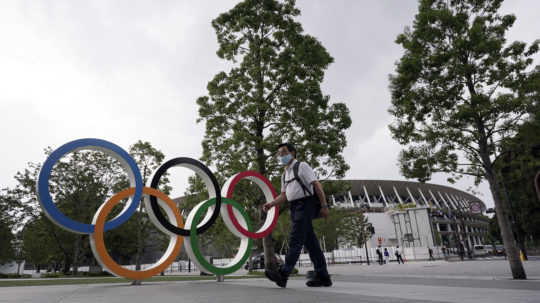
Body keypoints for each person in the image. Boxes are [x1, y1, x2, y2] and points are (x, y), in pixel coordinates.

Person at [263, 143, 332, 288]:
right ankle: (323, 276)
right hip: (294, 207)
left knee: (295, 239)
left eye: (284, 152)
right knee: (311, 244)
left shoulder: (302, 166)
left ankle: (283, 273)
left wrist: (324, 206)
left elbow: (317, 185)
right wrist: (271, 204)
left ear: (293, 153)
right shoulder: (284, 174)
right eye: (279, 154)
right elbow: (283, 195)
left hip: (306, 204)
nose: (281, 156)